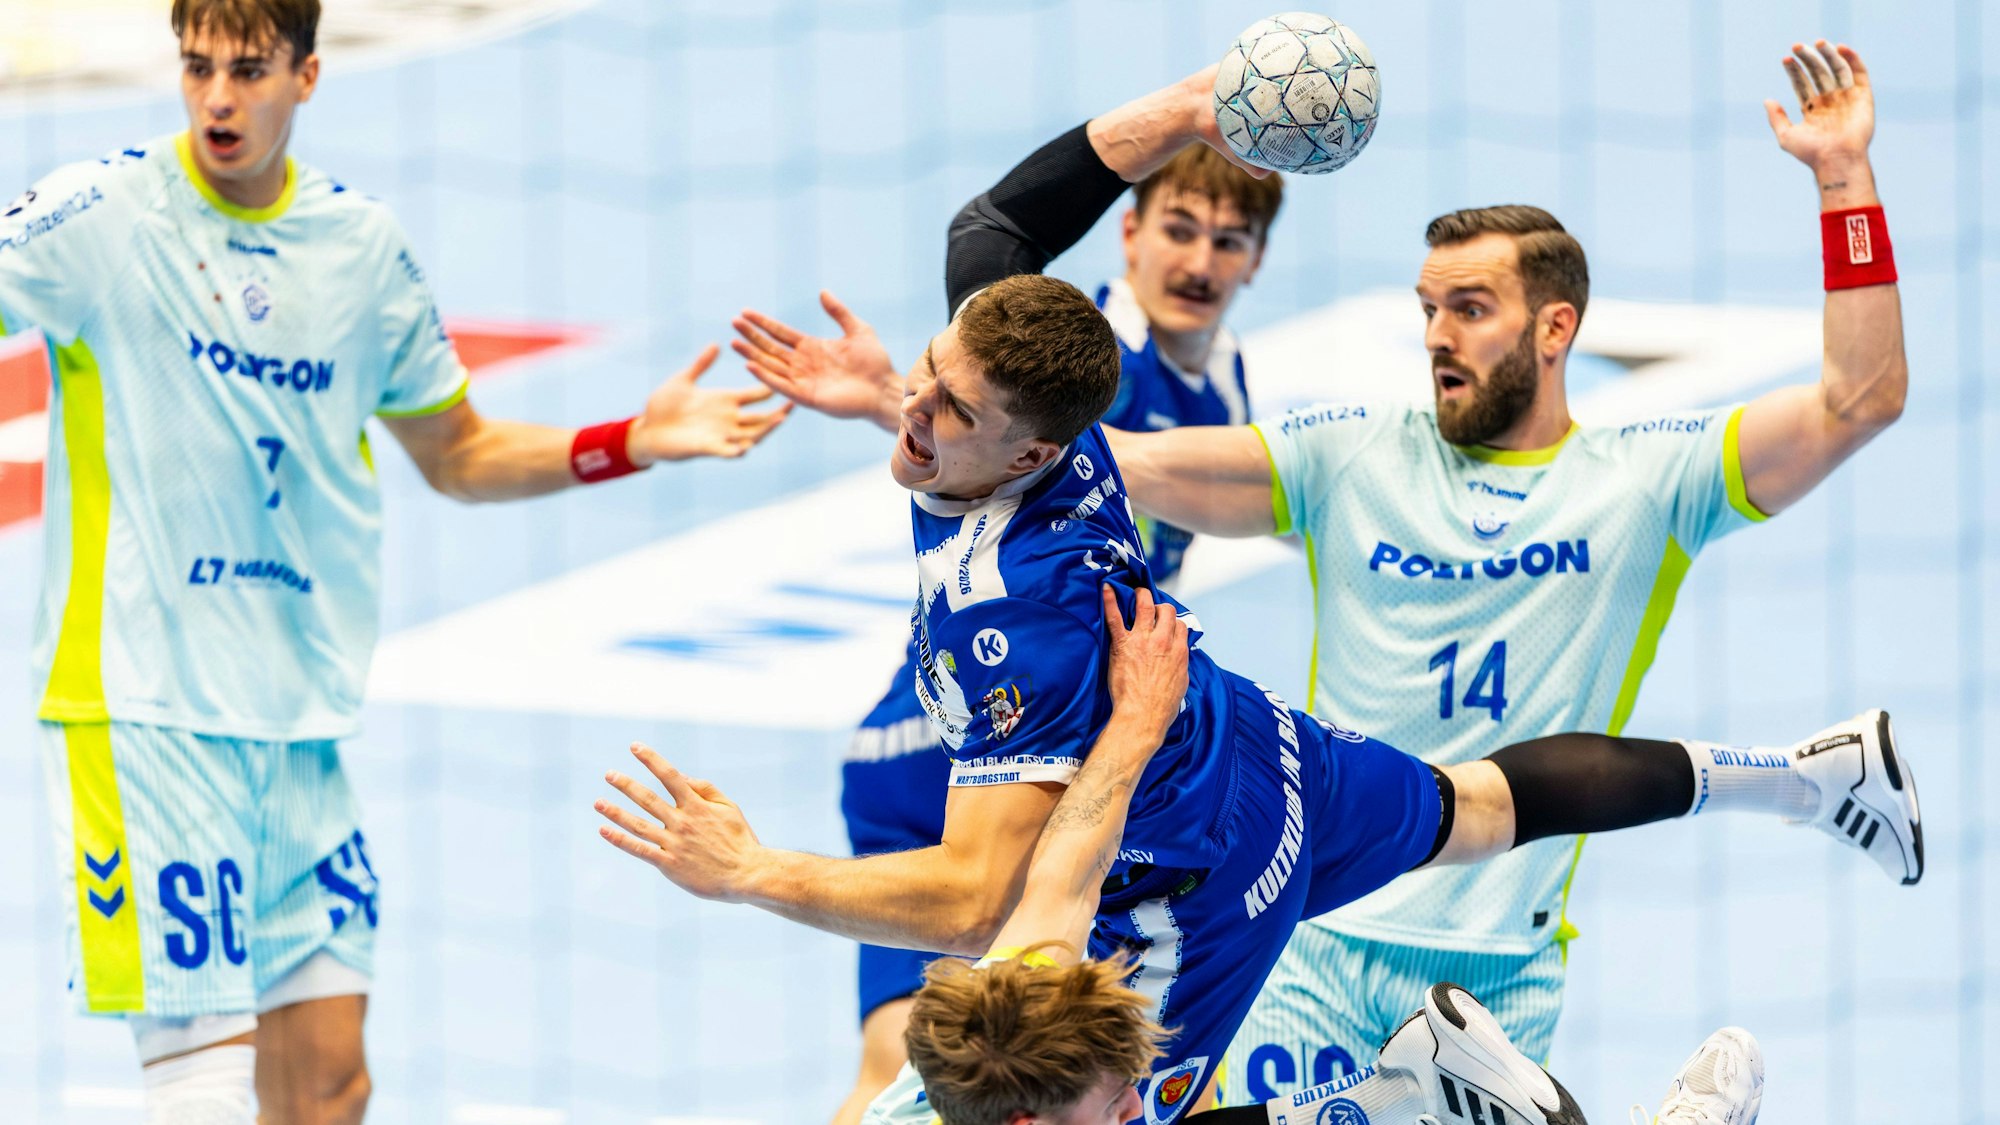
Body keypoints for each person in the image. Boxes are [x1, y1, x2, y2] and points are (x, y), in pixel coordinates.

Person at [594, 62, 1918, 1125]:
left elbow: (994, 897)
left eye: (945, 403)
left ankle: (1378, 1104)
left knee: (1065, 1096)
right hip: (1254, 746)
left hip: (1188, 855)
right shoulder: (1128, 428)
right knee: (1480, 805)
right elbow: (992, 234)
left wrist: (750, 870)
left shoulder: (1006, 615)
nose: (915, 406)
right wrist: (1189, 105)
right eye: (924, 379)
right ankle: (1797, 790)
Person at [11, 2, 788, 1121]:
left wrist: (628, 440)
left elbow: (458, 451)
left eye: (248, 69)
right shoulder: (104, 213)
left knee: (330, 1087)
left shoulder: (358, 247)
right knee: (203, 1090)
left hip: (298, 721)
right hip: (146, 709)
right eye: (197, 67)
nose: (218, 97)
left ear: (307, 75)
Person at [1095, 38, 1909, 1099]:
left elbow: (1860, 399)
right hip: (1320, 931)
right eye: (1428, 309)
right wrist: (940, 409)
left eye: (1470, 310)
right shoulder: (1349, 458)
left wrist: (1842, 179)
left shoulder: (1646, 482)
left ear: (1555, 327)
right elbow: (1127, 461)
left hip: (1498, 963)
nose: (1438, 336)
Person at [728, 144, 1281, 1125]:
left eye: (1227, 240)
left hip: (1007, 742)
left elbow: (1003, 470)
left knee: (947, 1068)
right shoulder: (1093, 362)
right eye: (1178, 229)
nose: (1198, 261)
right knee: (1082, 1075)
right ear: (1129, 233)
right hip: (983, 760)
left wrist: (880, 397)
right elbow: (990, 297)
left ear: (1256, 260)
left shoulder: (1219, 378)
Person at [871, 590, 1763, 1125]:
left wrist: (1139, 718)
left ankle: (1401, 1094)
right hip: (1269, 786)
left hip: (1242, 801)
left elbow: (1067, 863)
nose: (1135, 1097)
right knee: (1472, 807)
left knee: (1474, 808)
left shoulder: (1016, 1009)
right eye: (1114, 1099)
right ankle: (1402, 1093)